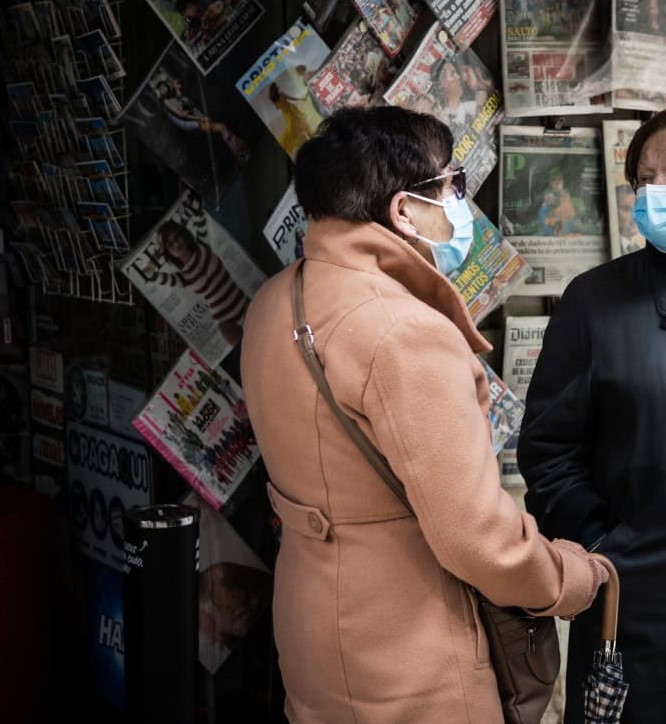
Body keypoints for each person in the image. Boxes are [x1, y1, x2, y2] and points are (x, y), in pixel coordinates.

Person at [240, 107, 606, 722]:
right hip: (408, 650)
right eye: (450, 185)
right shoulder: (404, 331)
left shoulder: (276, 299)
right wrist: (567, 577)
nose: (458, 202)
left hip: (312, 623)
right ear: (404, 211)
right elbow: (477, 539)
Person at [520, 105, 666, 724]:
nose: (656, 193)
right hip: (635, 602)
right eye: (644, 179)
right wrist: (604, 545)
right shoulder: (596, 301)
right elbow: (549, 450)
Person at [153, 220, 250, 348]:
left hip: (245, 305)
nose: (176, 243)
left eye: (176, 237)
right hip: (229, 325)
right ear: (168, 252)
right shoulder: (182, 278)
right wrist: (157, 255)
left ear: (182, 234)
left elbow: (198, 214)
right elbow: (149, 275)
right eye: (170, 244)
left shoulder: (202, 244)